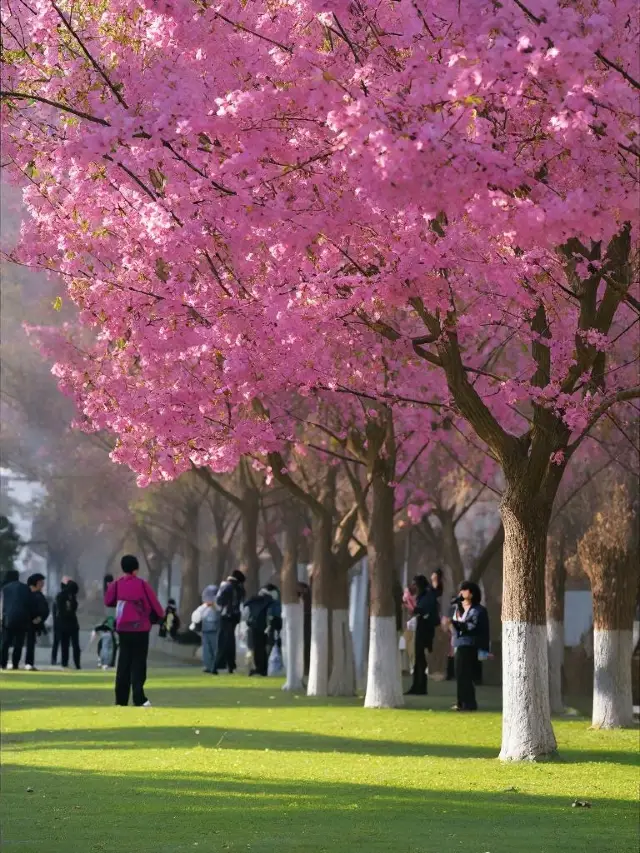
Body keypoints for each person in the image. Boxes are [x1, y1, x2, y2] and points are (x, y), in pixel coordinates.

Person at [105, 555, 164, 707]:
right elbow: (156, 606)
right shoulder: (142, 584)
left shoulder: (117, 584)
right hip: (141, 629)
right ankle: (139, 698)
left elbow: (108, 601)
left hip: (123, 628)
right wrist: (159, 617)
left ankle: (121, 699)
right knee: (138, 663)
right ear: (136, 569)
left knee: (123, 662)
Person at [449, 581, 490, 712]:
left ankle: (469, 703)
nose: (461, 592)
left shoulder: (478, 610)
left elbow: (471, 627)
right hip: (460, 644)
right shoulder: (459, 609)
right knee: (459, 674)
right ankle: (461, 702)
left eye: (464, 590)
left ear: (471, 593)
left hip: (470, 645)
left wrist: (455, 624)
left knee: (466, 675)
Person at [405, 574, 439, 696]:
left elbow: (422, 610)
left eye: (415, 584)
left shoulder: (428, 595)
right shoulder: (423, 595)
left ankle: (421, 686)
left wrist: (411, 606)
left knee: (421, 658)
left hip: (426, 629)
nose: (413, 586)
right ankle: (417, 685)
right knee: (418, 658)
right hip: (421, 627)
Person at [215, 569, 246, 674]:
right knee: (230, 640)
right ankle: (231, 664)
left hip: (225, 616)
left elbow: (219, 601)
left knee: (223, 640)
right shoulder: (239, 588)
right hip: (234, 617)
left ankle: (217, 665)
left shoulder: (226, 586)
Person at [244, 585, 279, 676]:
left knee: (255, 648)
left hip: (252, 626)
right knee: (263, 648)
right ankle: (262, 669)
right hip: (265, 627)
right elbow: (273, 614)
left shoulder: (253, 599)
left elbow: (245, 612)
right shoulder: (270, 601)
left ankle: (257, 668)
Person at [1, 570, 31, 670]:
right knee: (19, 643)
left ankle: (3, 663)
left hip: (8, 618)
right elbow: (28, 604)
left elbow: (3, 605)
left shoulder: (5, 588)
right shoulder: (26, 588)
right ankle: (15, 663)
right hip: (22, 619)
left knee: (5, 642)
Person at [190, 585, 220, 674]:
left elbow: (219, 612)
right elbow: (197, 614)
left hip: (214, 629)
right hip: (206, 629)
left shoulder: (217, 606)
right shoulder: (204, 607)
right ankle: (208, 666)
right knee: (206, 649)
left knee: (215, 649)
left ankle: (214, 666)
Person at [25, 573, 50, 671]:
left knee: (30, 643)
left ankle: (29, 662)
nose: (43, 584)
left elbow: (45, 610)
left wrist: (40, 619)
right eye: (40, 582)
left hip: (32, 623)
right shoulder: (30, 595)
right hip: (25, 621)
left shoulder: (39, 595)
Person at [56, 579, 81, 669]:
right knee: (72, 645)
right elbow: (65, 610)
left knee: (66, 645)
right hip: (69, 623)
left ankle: (65, 662)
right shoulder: (65, 596)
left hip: (67, 623)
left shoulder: (69, 596)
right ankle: (73, 663)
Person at [51, 576, 71, 665]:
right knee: (65, 643)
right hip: (64, 623)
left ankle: (54, 659)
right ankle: (64, 661)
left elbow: (54, 610)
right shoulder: (68, 597)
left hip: (58, 623)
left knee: (57, 642)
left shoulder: (58, 596)